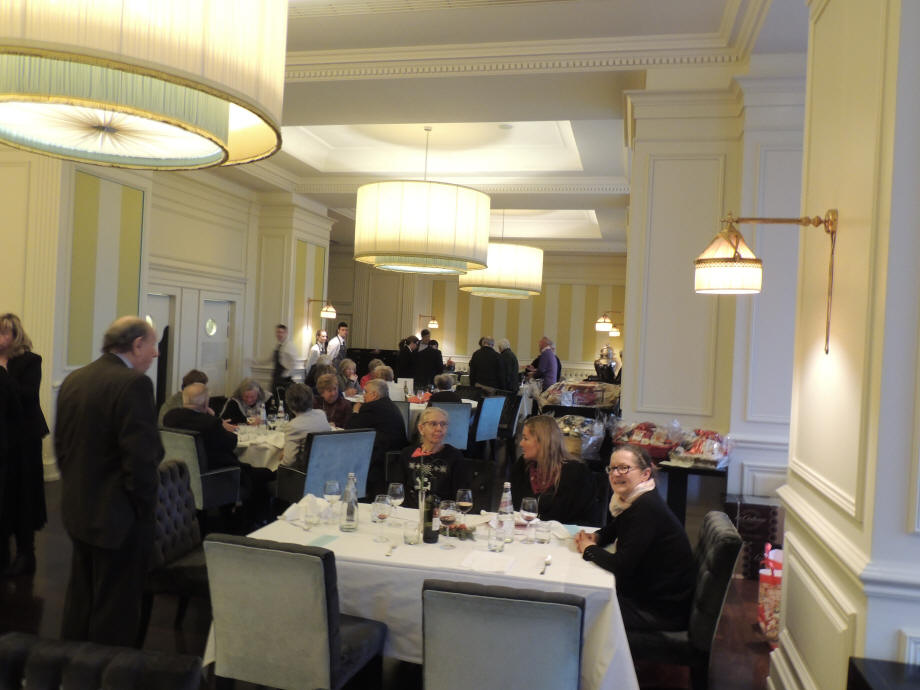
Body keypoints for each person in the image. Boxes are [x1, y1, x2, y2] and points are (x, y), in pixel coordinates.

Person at [55, 316, 163, 644]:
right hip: (119, 519)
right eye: (153, 345)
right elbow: (142, 463)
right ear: (137, 345)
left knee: (80, 602)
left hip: (78, 512)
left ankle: (71, 665)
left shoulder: (75, 379)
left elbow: (63, 448)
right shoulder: (134, 385)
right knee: (115, 615)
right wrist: (144, 514)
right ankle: (107, 670)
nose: (156, 354)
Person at [575, 444, 695, 632]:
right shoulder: (635, 499)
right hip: (648, 595)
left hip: (660, 610)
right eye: (612, 468)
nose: (615, 474)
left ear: (645, 474)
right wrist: (596, 537)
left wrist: (589, 549)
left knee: (581, 606)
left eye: (624, 468)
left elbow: (620, 566)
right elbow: (614, 529)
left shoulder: (646, 508)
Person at [0, 314, 49, 577]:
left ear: (16, 335)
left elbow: (27, 396)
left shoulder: (30, 361)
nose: (0, 338)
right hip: (3, 437)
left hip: (24, 438)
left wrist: (2, 371)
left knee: (23, 493)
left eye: (4, 332)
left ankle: (25, 553)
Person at [509, 415, 595, 525]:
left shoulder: (575, 473)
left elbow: (582, 519)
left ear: (542, 442)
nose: (521, 443)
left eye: (526, 439)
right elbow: (513, 509)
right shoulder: (522, 467)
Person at [392, 406, 465, 509]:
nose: (439, 428)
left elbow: (460, 494)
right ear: (421, 428)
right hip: (409, 512)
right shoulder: (407, 453)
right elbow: (397, 489)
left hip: (441, 513)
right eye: (433, 424)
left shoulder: (454, 456)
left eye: (443, 424)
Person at [346, 379, 408, 498]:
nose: (363, 396)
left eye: (366, 392)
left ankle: (354, 491)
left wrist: (355, 411)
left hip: (380, 457)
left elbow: (350, 429)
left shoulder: (371, 407)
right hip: (395, 452)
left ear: (374, 394)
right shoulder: (390, 404)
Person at [162, 383, 240, 470]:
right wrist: (218, 422)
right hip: (213, 470)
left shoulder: (169, 416)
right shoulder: (211, 422)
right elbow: (231, 443)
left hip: (179, 468)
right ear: (206, 403)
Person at [280, 383, 330, 469]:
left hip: (305, 472)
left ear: (289, 403)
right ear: (311, 399)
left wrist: (278, 463)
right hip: (326, 465)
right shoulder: (321, 414)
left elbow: (289, 462)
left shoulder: (293, 426)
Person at [271, 324, 299, 401]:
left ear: (286, 333)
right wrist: (255, 362)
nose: (279, 334)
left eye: (281, 332)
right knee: (275, 399)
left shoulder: (290, 346)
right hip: (276, 378)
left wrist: (285, 374)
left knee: (282, 400)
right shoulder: (278, 346)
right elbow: (271, 359)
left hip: (284, 380)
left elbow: (294, 362)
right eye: (277, 332)